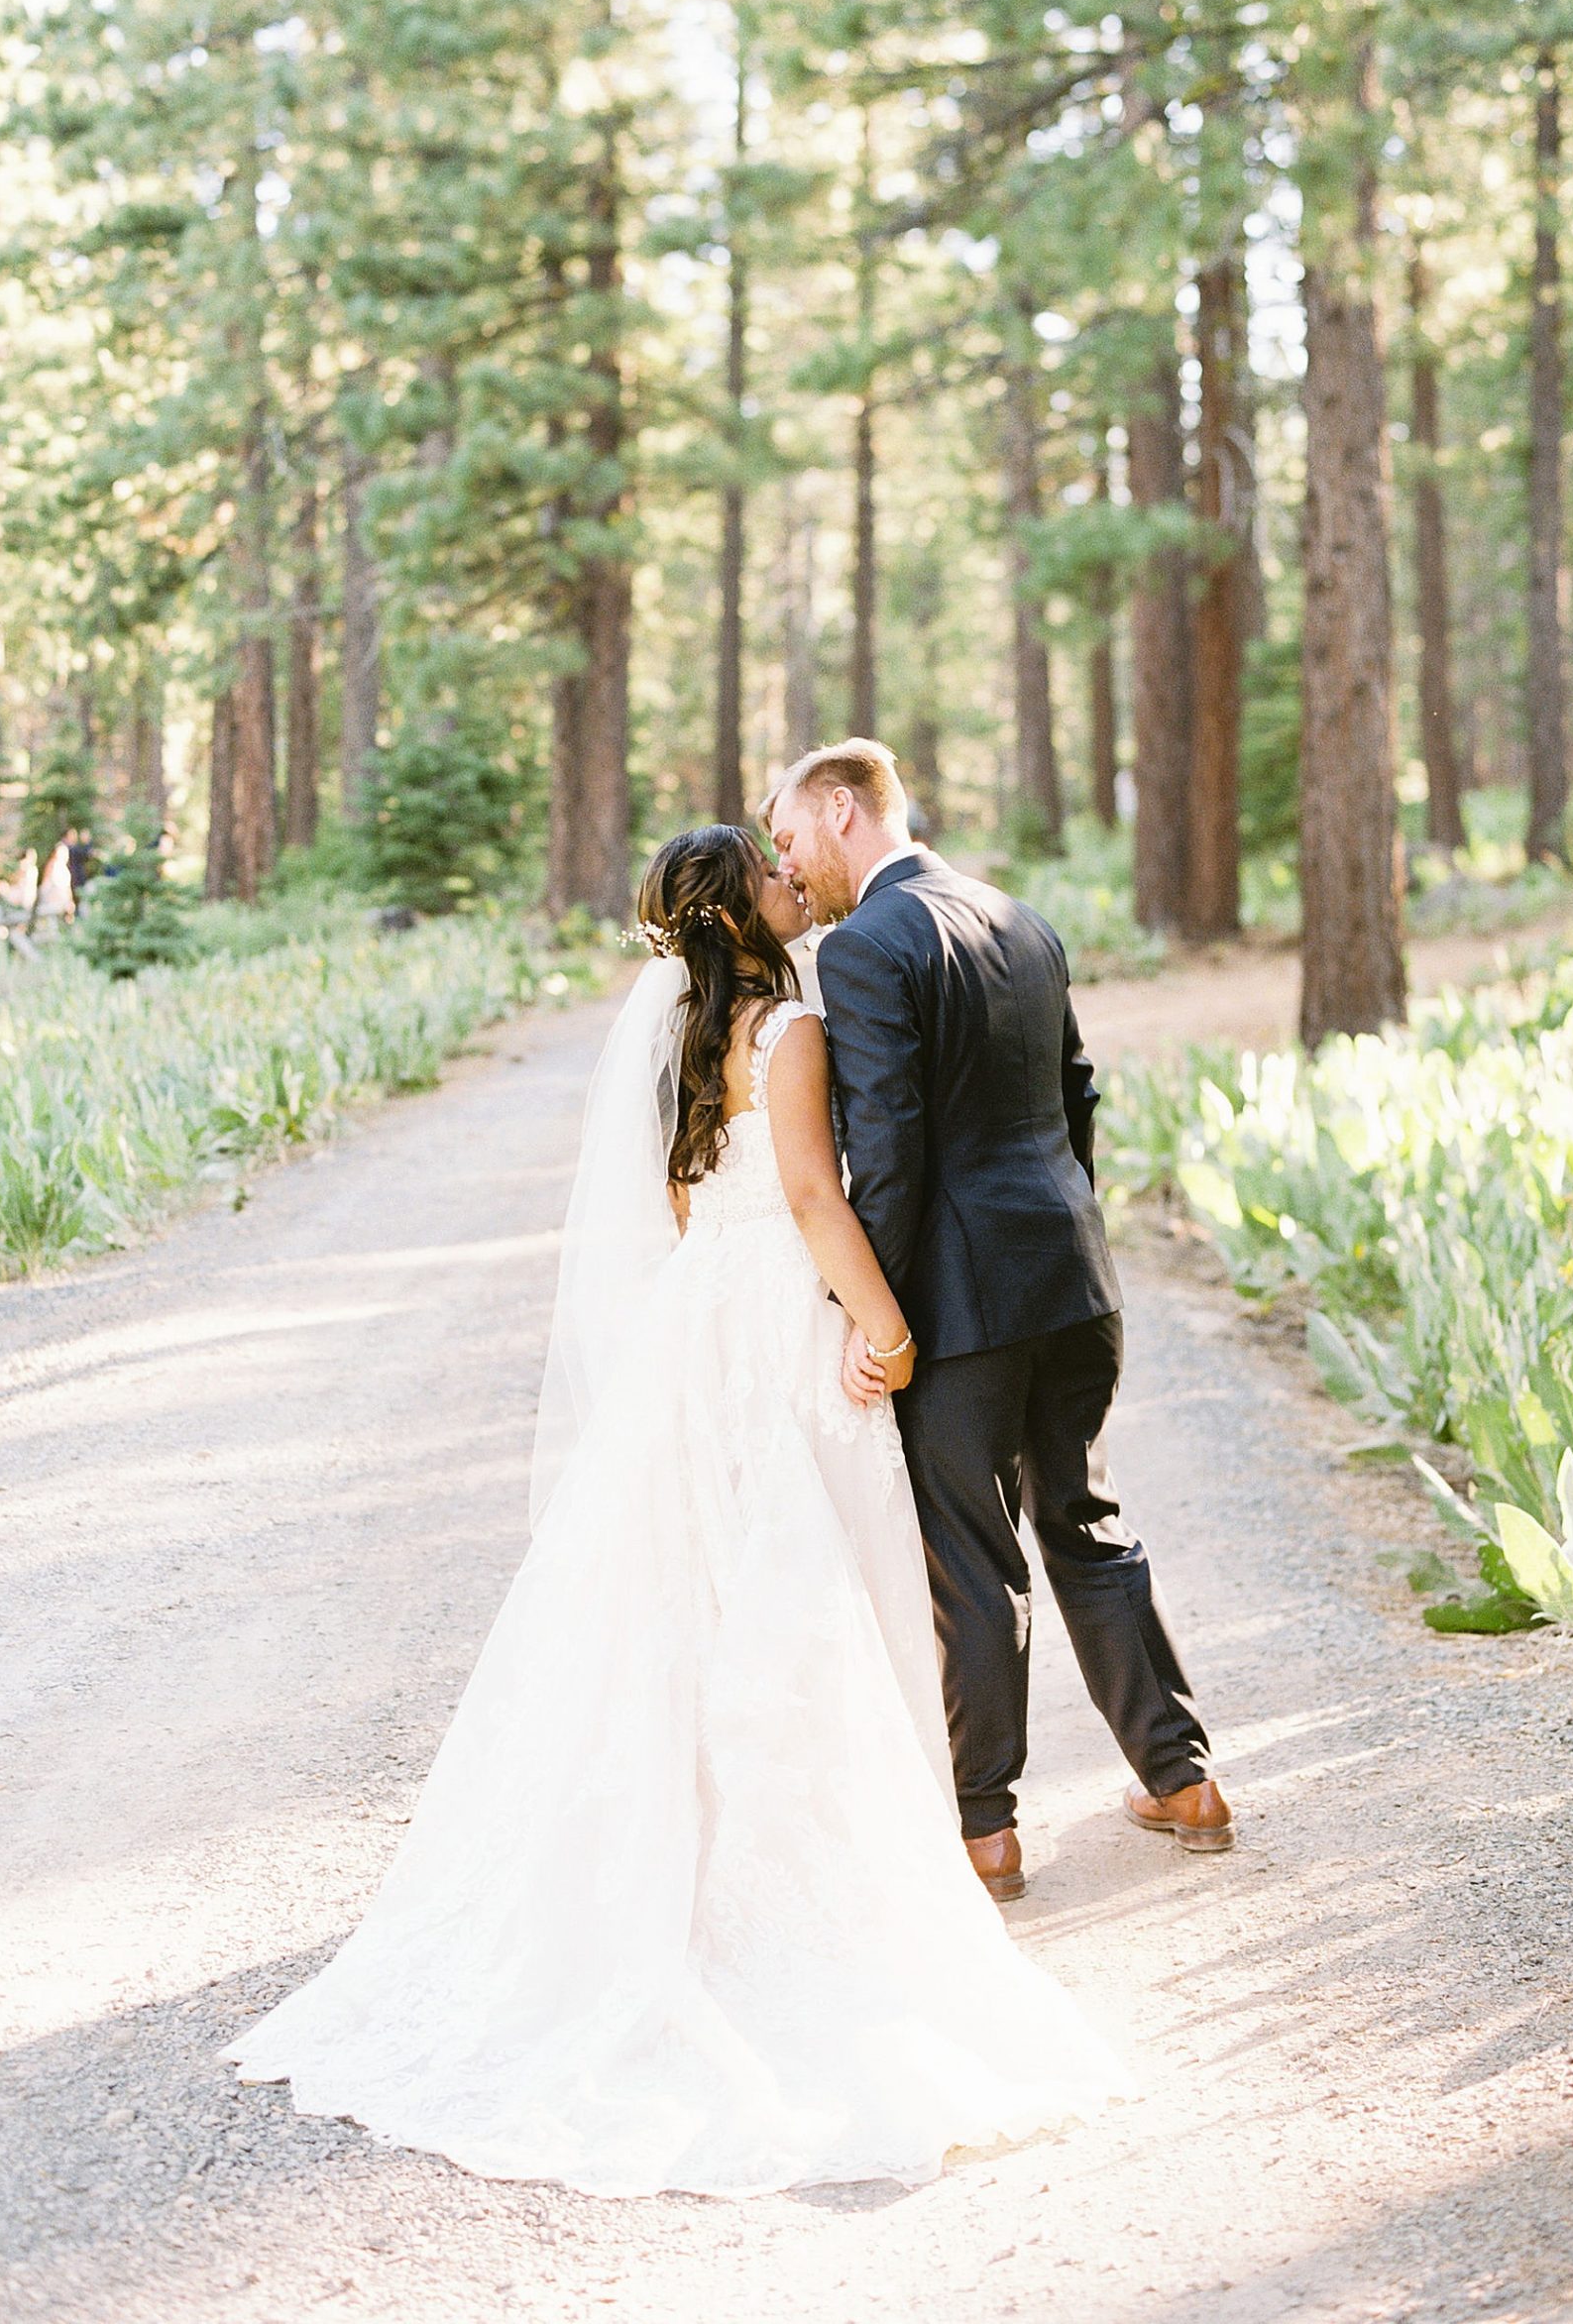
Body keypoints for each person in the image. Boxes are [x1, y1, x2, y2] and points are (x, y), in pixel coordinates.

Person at [223, 824, 1122, 2195]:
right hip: (773, 1319)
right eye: (769, 875)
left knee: (684, 1598)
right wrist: (878, 1326)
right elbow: (818, 1196)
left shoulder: (684, 1043)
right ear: (739, 912)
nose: (789, 882)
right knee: (800, 1591)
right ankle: (787, 1896)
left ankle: (680, 1867)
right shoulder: (788, 1034)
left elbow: (682, 1202)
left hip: (697, 1319)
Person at [765, 739, 1232, 1899]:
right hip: (1073, 1282)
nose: (787, 865)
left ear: (840, 811)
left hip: (960, 1306)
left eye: (787, 838)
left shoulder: (868, 946)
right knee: (1086, 1519)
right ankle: (1184, 1781)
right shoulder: (1021, 920)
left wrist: (867, 1311)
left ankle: (985, 1831)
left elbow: (889, 1151)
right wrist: (1060, 1228)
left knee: (972, 1562)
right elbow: (1077, 1098)